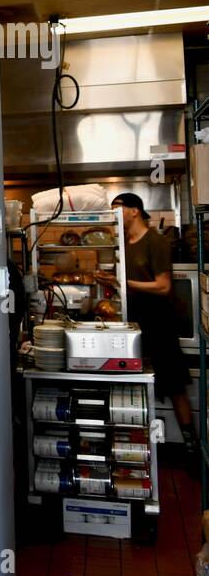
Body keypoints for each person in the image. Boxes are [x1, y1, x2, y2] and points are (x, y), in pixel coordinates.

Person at [97, 193, 199, 473]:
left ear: (134, 211)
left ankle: (192, 451)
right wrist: (113, 283)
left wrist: (122, 281)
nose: (114, 214)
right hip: (133, 324)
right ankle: (138, 449)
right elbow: (127, 286)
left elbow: (164, 286)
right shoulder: (123, 244)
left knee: (175, 386)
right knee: (134, 385)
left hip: (160, 323)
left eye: (117, 209)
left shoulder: (156, 241)